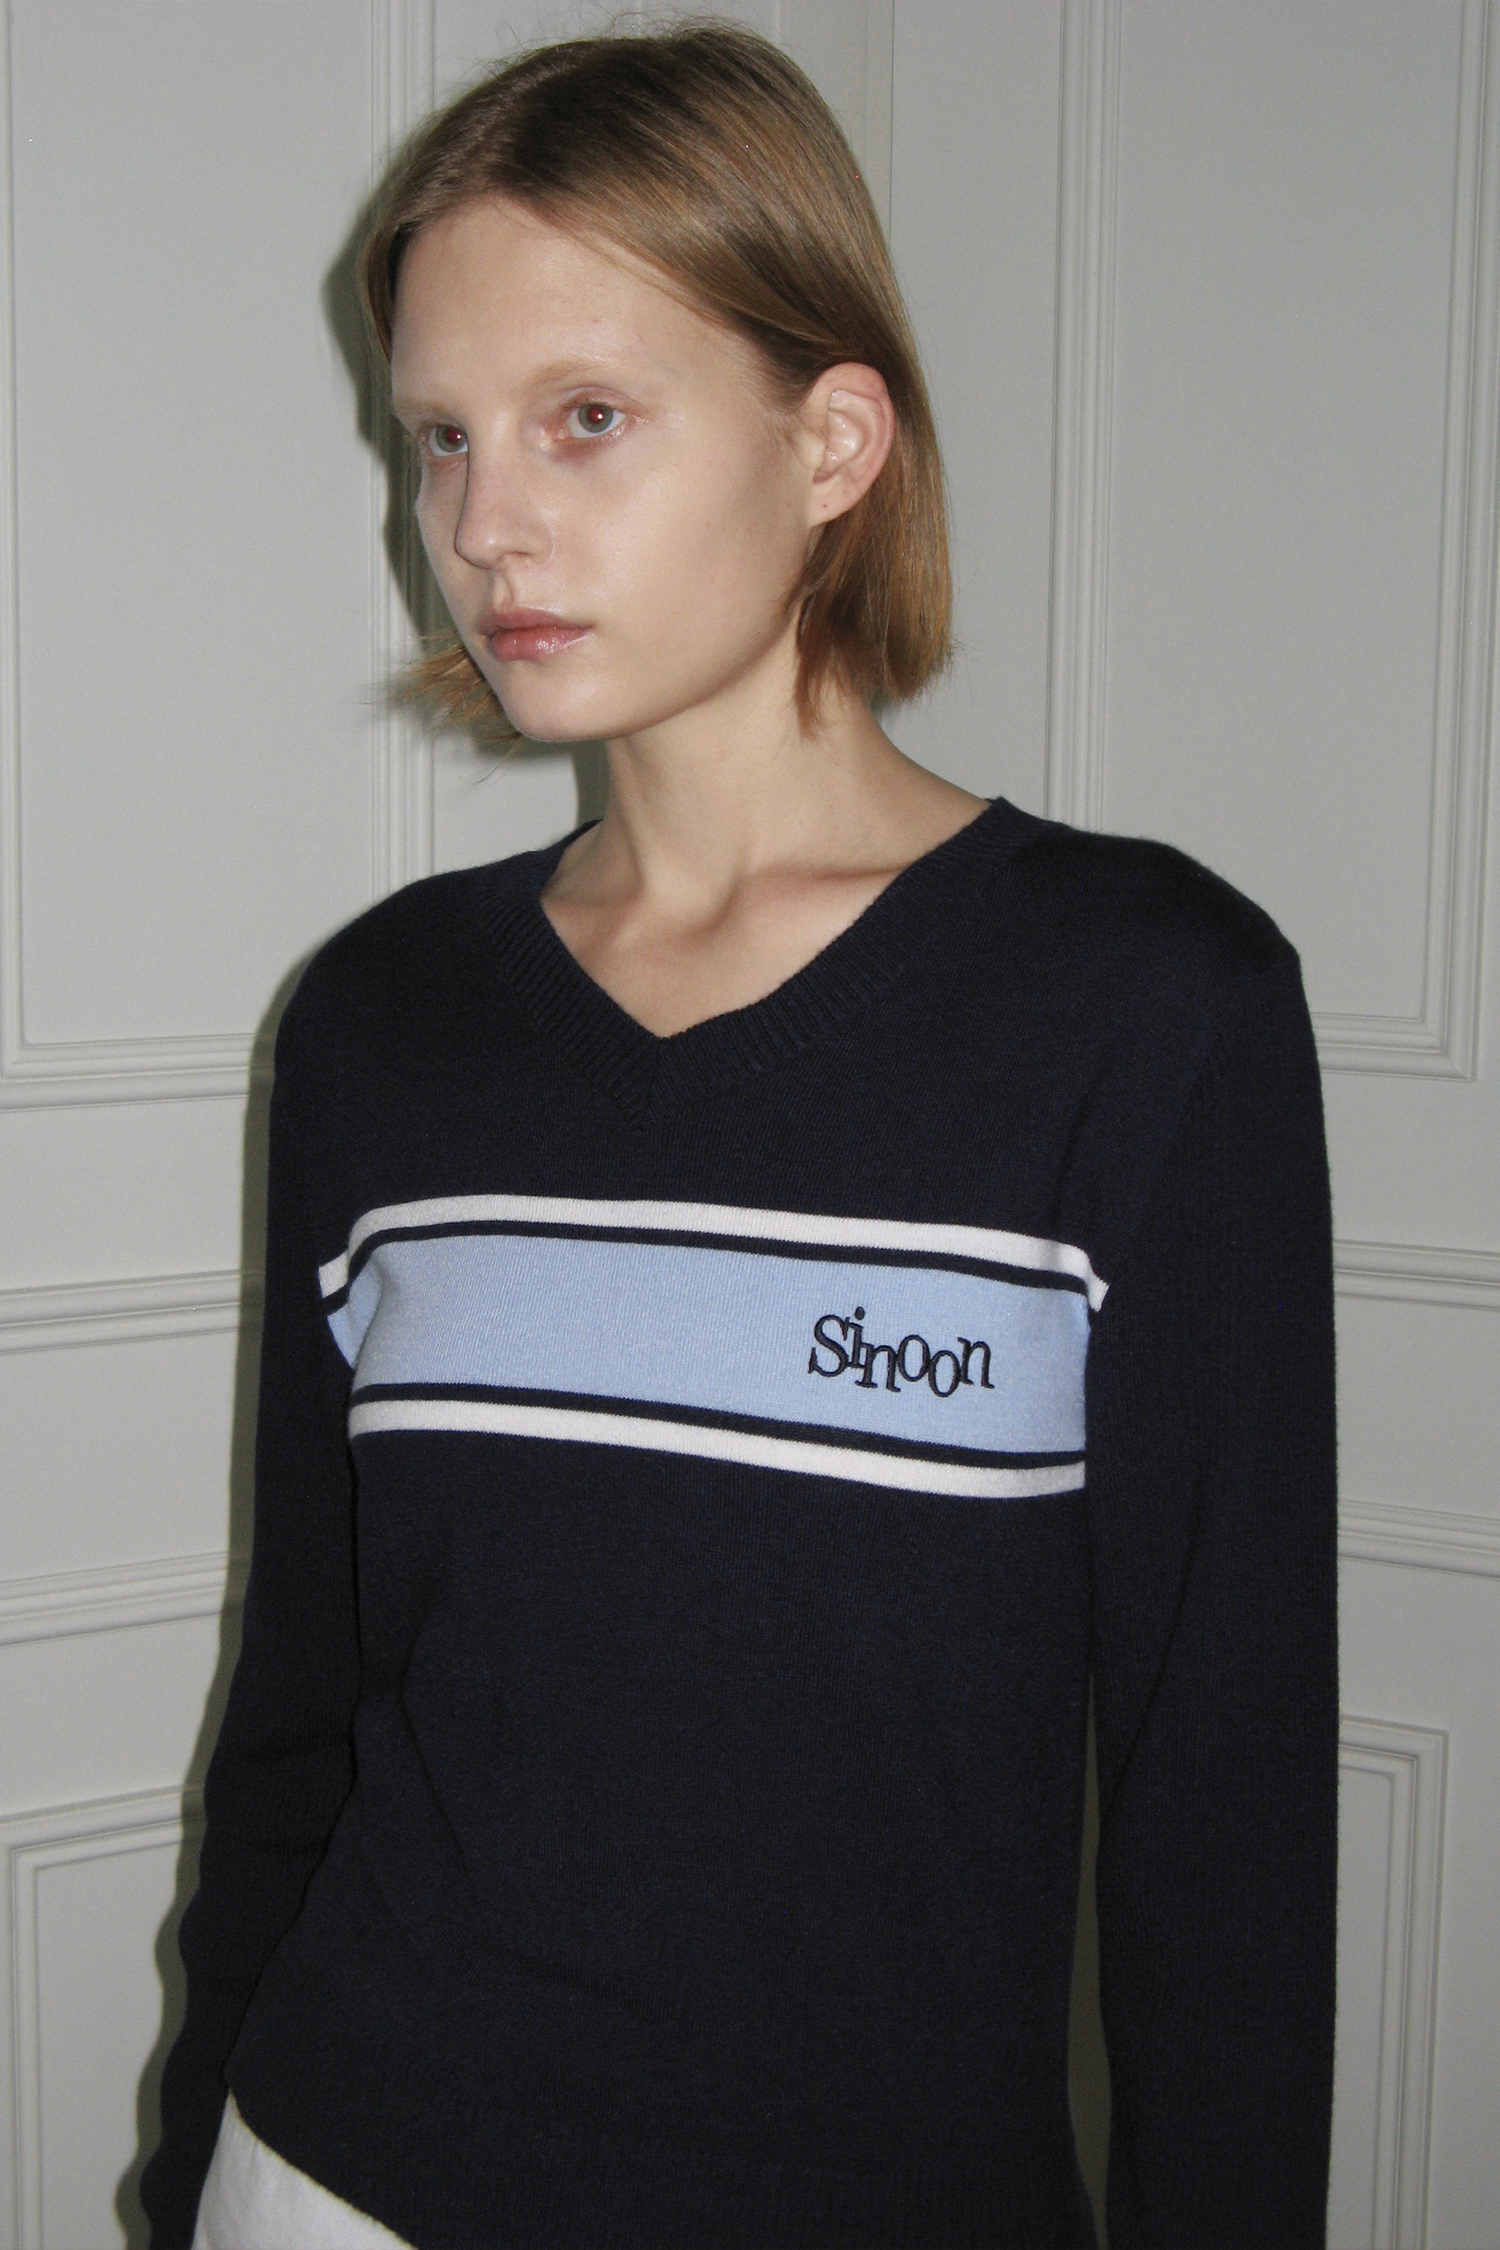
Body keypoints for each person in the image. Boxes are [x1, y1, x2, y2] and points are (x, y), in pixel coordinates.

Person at [142, 21, 1338, 2250]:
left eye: (584, 418)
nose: (481, 523)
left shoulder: (1148, 1012)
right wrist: (191, 2162)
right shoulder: (384, 1021)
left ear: (834, 440)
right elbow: (304, 1710)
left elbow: (1226, 1829)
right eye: (441, 435)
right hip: (336, 2179)